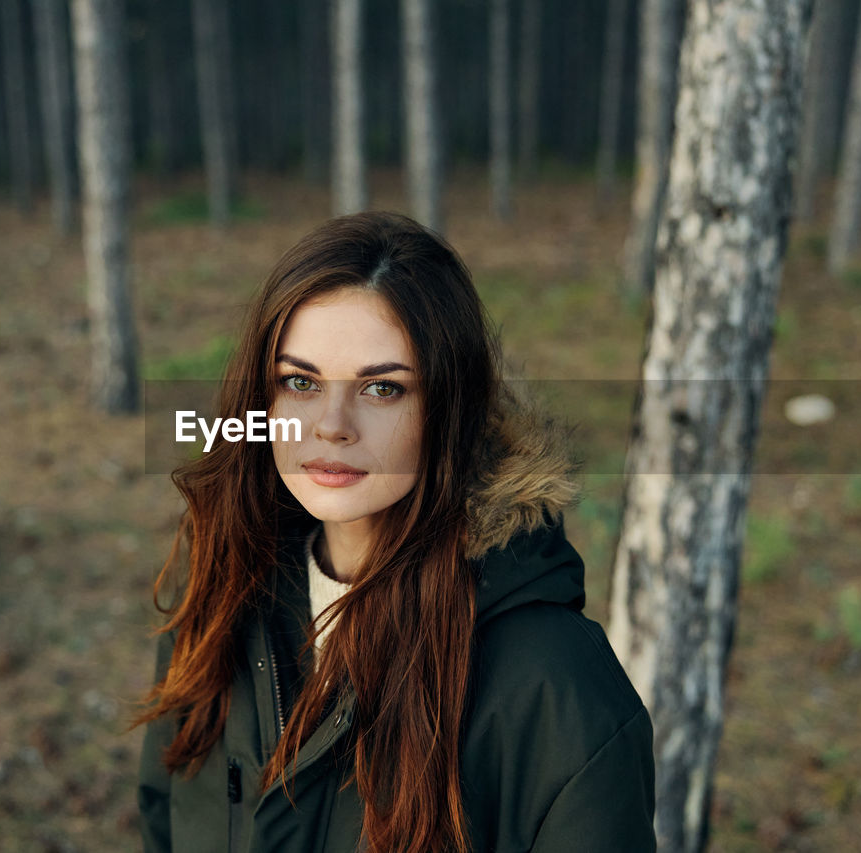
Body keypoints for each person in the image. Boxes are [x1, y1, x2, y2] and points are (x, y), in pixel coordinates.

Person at [132, 211, 655, 853]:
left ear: (447, 412)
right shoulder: (222, 584)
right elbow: (166, 814)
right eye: (300, 382)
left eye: (382, 388)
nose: (331, 425)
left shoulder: (554, 687)